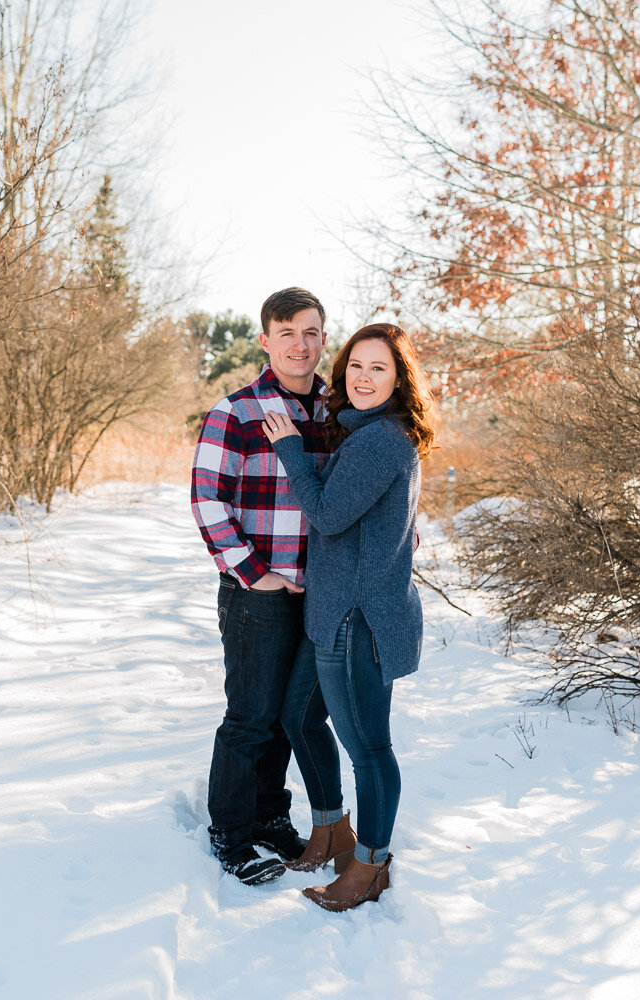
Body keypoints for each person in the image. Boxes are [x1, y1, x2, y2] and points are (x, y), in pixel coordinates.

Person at [262, 323, 437, 911]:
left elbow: (328, 514)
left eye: (378, 369)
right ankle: (333, 828)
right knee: (300, 718)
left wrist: (289, 448)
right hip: (331, 609)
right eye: (356, 367)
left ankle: (370, 866)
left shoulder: (381, 441)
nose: (363, 378)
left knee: (368, 748)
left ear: (398, 380)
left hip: (355, 619)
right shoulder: (365, 436)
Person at [190, 287, 329, 885]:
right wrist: (253, 572)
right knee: (250, 717)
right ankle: (233, 831)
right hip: (259, 595)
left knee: (289, 719)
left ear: (325, 338)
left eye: (312, 332)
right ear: (266, 339)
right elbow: (206, 500)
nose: (301, 344)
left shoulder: (336, 414)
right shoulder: (236, 412)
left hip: (320, 594)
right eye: (288, 332)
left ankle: (271, 819)